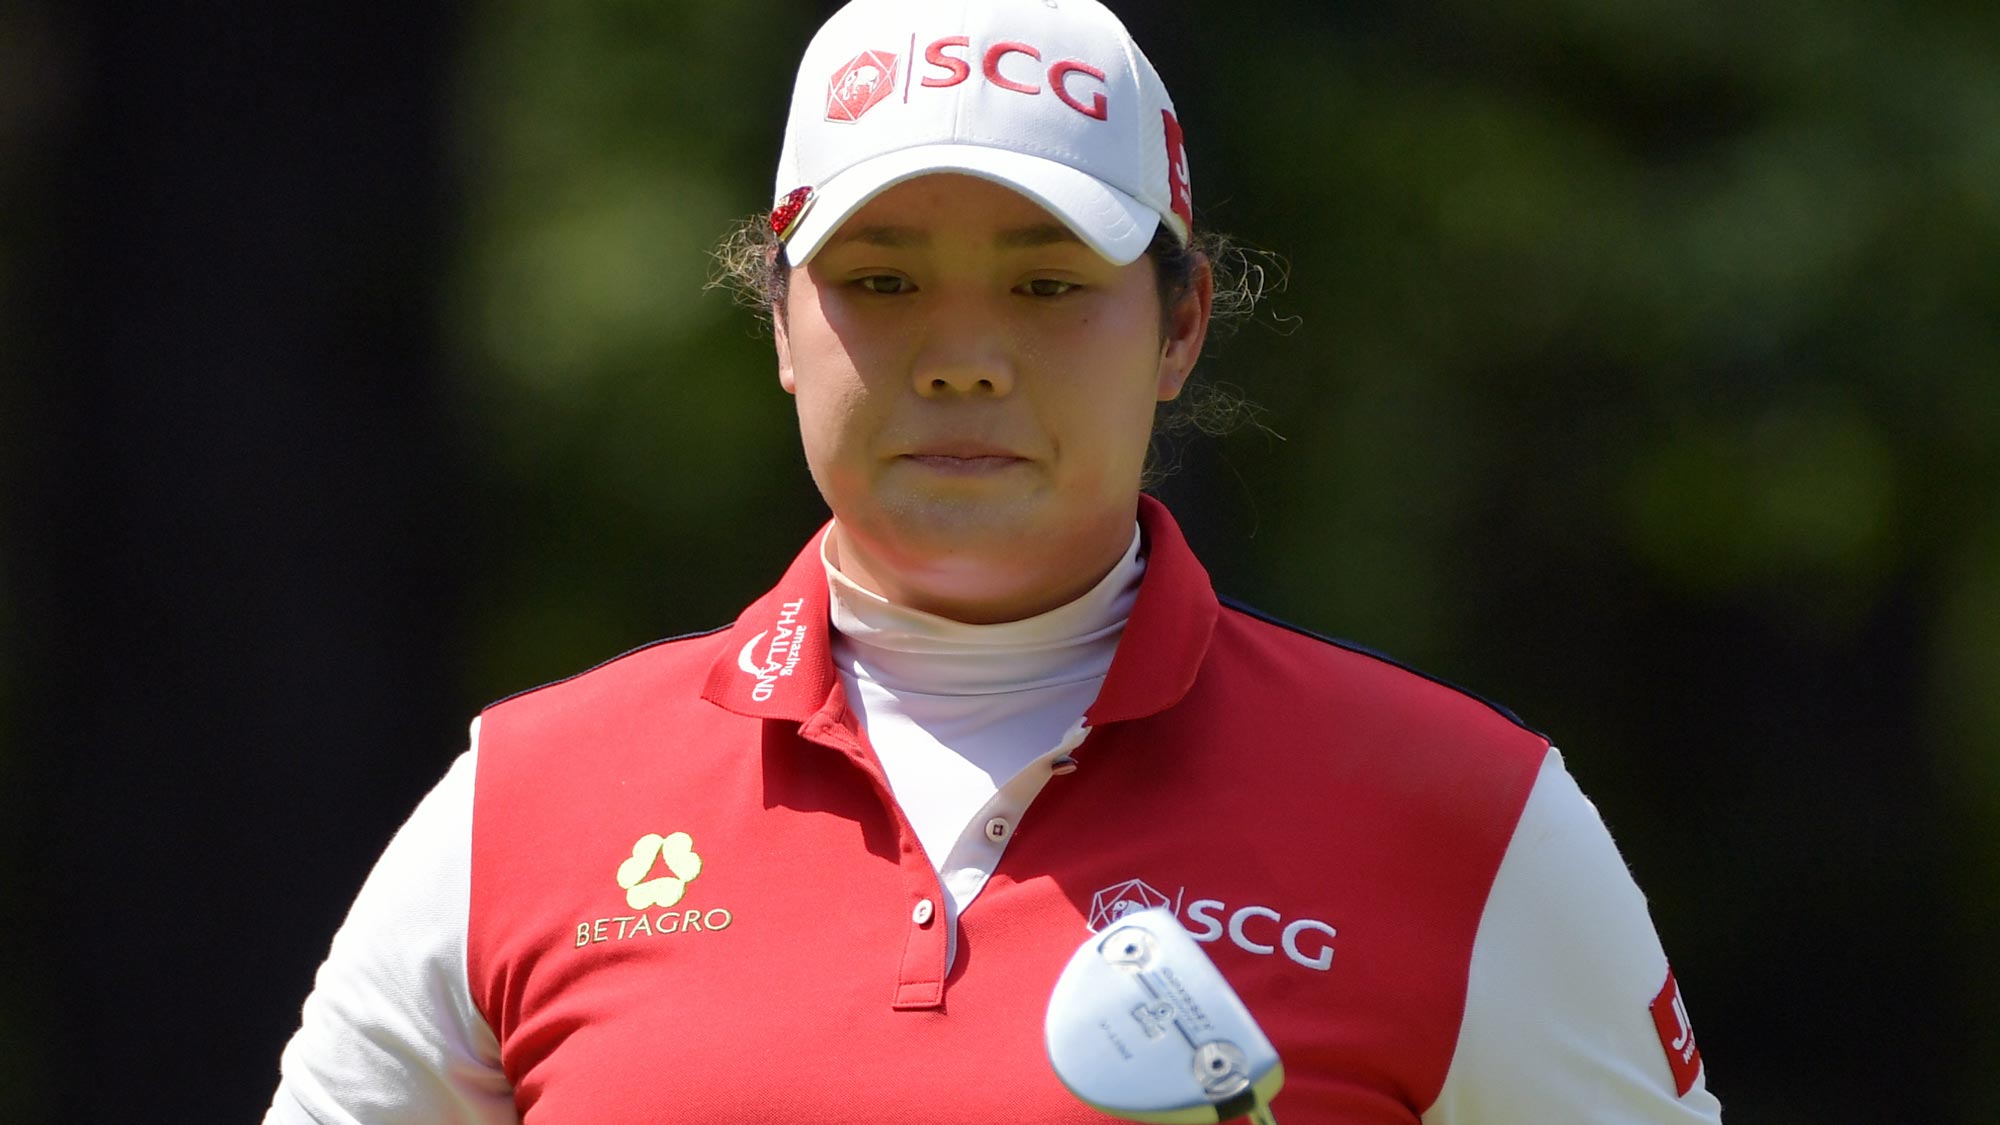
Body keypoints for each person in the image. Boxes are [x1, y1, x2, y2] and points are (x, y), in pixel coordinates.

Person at [266, 0, 1725, 1121]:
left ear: (1180, 323)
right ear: (780, 322)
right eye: (882, 281)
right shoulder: (523, 806)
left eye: (1046, 284)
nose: (964, 358)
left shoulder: (1466, 816)